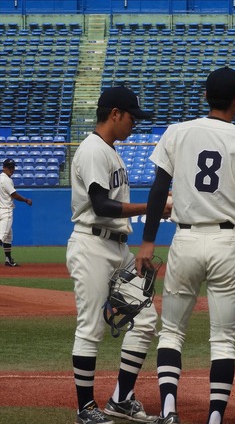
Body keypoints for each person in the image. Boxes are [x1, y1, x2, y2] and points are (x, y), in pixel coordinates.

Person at [135, 67, 235, 424]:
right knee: (223, 338)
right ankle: (215, 417)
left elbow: (158, 190)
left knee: (171, 331)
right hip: (226, 241)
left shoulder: (177, 132)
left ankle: (169, 409)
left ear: (205, 96)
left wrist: (147, 243)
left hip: (184, 238)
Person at [67, 86, 166, 424]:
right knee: (91, 326)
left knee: (147, 318)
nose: (134, 124)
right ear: (114, 114)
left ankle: (121, 399)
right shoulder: (94, 149)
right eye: (132, 117)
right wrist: (151, 207)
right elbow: (101, 204)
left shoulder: (110, 150)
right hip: (92, 246)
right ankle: (85, 408)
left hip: (116, 247)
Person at [0, 158, 32, 267]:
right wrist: (26, 200)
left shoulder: (1, 178)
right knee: (2, 236)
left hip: (1, 209)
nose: (12, 169)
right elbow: (14, 194)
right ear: (4, 168)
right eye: (9, 167)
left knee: (8, 236)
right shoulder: (6, 180)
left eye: (13, 167)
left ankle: (8, 260)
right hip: (6, 211)